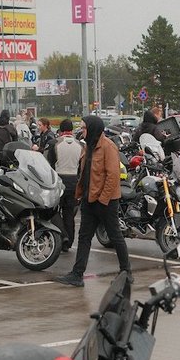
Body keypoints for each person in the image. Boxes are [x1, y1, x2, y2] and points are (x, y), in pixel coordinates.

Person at [54, 115, 130, 287]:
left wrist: (103, 200)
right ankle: (77, 274)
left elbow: (113, 176)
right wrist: (81, 194)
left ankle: (126, 272)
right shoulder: (88, 146)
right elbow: (85, 172)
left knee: (115, 236)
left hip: (106, 201)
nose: (82, 131)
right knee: (84, 237)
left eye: (84, 128)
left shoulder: (108, 147)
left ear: (94, 129)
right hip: (89, 198)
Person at [47, 118, 83, 252]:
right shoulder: (80, 145)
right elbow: (81, 167)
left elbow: (49, 165)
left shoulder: (54, 143)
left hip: (58, 181)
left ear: (60, 130)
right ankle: (68, 243)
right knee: (69, 214)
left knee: (51, 211)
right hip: (74, 182)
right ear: (72, 130)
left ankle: (63, 235)